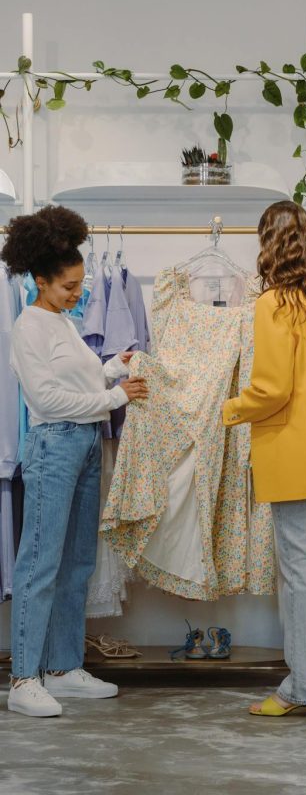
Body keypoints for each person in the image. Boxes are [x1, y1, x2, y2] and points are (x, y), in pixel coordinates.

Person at [2, 205, 148, 717]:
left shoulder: (63, 323)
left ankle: (62, 669)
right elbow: (46, 401)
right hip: (54, 447)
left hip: (85, 446)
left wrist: (112, 368)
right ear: (40, 281)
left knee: (78, 562)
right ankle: (24, 678)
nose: (77, 293)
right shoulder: (28, 328)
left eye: (80, 284)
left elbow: (79, 382)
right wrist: (116, 397)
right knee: (40, 564)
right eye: (67, 286)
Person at [223, 200, 306, 717]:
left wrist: (230, 408)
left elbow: (272, 389)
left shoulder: (274, 303)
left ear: (270, 245)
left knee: (300, 573)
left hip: (291, 455)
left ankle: (305, 687)